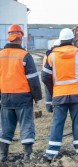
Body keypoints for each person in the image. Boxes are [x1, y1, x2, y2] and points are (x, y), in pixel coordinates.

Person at [41, 28, 78, 160]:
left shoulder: (52, 56)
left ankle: (52, 152)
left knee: (57, 123)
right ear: (72, 40)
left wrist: (53, 90)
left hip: (59, 95)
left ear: (60, 40)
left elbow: (45, 77)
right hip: (77, 95)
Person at [0, 24, 42, 162]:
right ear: (20, 37)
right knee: (26, 126)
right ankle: (27, 156)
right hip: (23, 97)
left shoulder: (0, 55)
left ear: (9, 37)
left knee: (6, 128)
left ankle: (3, 155)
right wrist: (38, 98)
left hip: (5, 97)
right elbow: (33, 80)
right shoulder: (24, 56)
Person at [43, 39, 61, 113]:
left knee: (48, 92)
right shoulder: (53, 55)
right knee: (52, 92)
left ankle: (49, 108)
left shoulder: (48, 54)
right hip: (53, 76)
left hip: (47, 75)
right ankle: (52, 107)